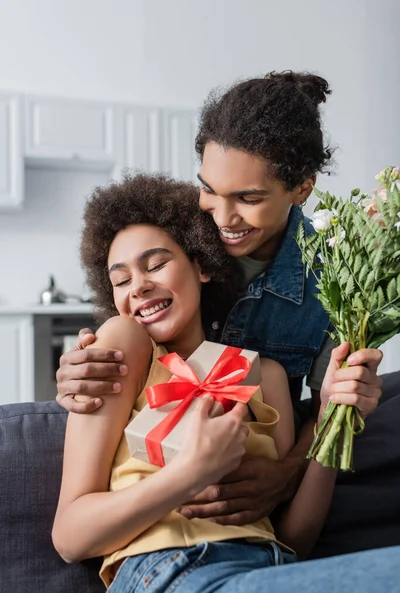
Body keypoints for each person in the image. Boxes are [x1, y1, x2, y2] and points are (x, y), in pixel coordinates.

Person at [55, 72, 384, 528]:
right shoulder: (182, 233)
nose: (223, 218)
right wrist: (82, 366)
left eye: (248, 198)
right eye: (209, 188)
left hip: (260, 474)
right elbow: (132, 311)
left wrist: (287, 475)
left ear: (302, 189)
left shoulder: (336, 284)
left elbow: (325, 407)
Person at [52, 173, 400, 593]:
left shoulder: (265, 375)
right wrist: (187, 475)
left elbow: (296, 538)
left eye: (156, 264)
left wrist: (332, 416)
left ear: (200, 265)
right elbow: (69, 536)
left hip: (270, 568)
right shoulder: (125, 344)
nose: (138, 285)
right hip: (173, 573)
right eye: (120, 280)